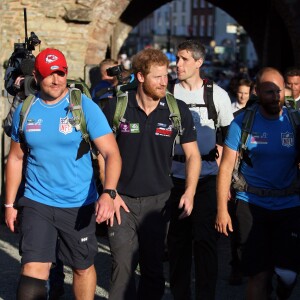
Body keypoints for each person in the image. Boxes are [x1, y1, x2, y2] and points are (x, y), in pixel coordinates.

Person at [4, 48, 122, 300]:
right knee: (33, 268)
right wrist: (9, 203)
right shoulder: (26, 109)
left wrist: (109, 192)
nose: (56, 80)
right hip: (37, 201)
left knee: (81, 268)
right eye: (49, 74)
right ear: (36, 76)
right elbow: (15, 158)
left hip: (78, 203)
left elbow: (111, 153)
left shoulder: (83, 107)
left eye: (61, 73)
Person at [102, 48, 201, 300]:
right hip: (120, 199)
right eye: (157, 77)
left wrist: (189, 192)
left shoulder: (176, 110)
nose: (164, 82)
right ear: (141, 77)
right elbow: (101, 154)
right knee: (122, 267)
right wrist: (108, 191)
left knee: (153, 268)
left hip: (159, 202)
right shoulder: (117, 107)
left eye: (166, 75)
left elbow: (193, 155)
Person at [216, 67, 300, 300]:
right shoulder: (242, 123)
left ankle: (283, 286)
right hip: (251, 205)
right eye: (269, 91)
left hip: (289, 205)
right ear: (257, 91)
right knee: (258, 274)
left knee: (288, 274)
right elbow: (225, 168)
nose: (275, 96)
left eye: (279, 91)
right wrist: (222, 209)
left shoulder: (295, 121)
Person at [167, 40, 233, 300]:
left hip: (207, 178)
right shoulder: (168, 91)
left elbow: (230, 142)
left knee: (205, 243)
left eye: (184, 59)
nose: (178, 64)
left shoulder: (217, 95)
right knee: (177, 244)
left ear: (198, 62)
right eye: (177, 58)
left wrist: (225, 183)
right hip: (173, 176)